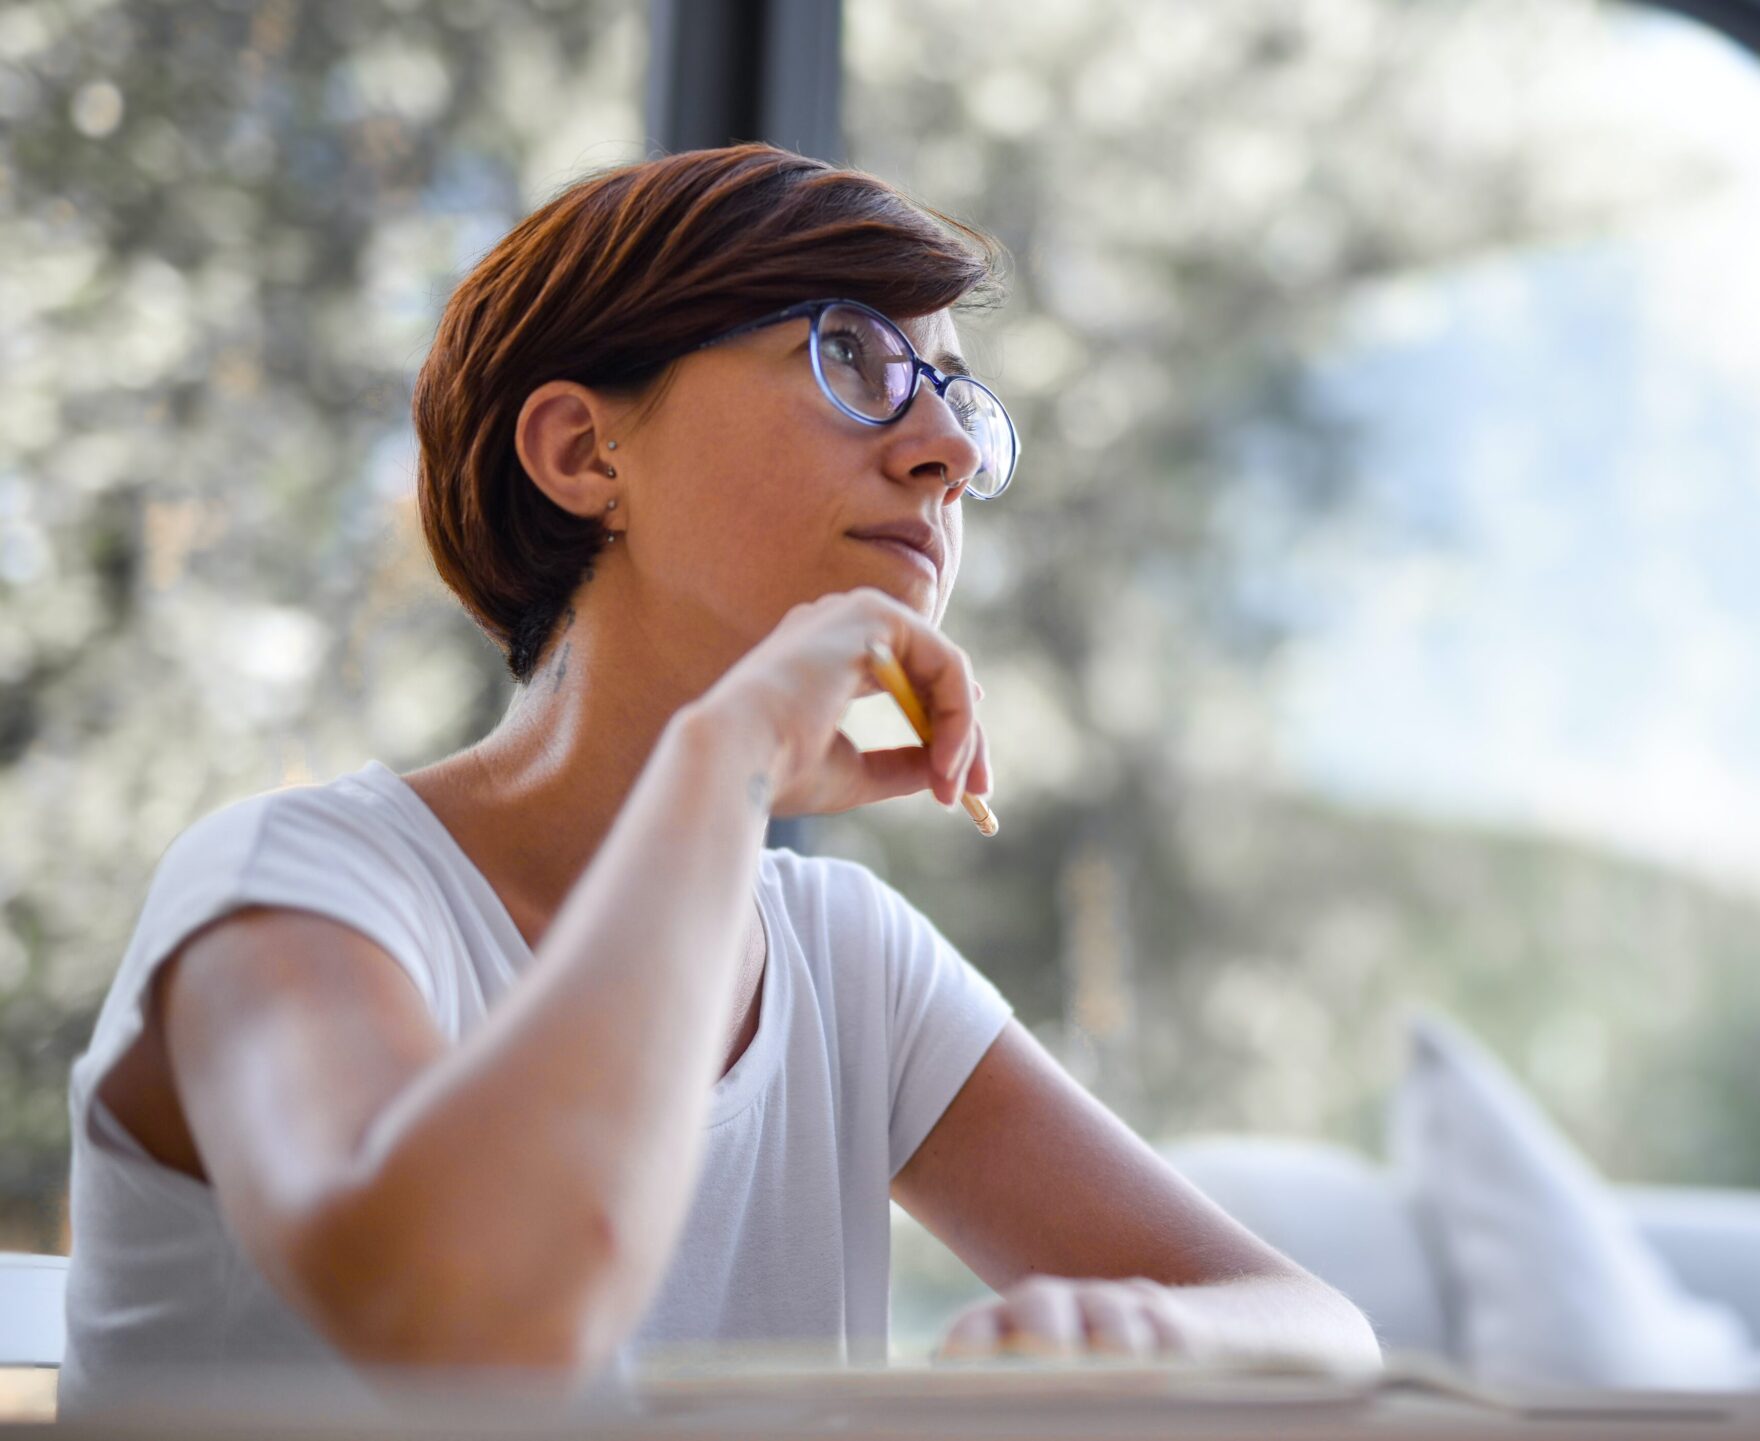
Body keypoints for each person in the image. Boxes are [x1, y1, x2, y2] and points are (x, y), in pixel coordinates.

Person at [57, 143, 1378, 1413]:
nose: (951, 452)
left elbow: (1318, 1329)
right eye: (851, 354)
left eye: (957, 396)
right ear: (583, 453)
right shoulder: (293, 890)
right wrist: (726, 755)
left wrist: (1143, 1331)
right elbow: (482, 1325)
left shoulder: (848, 962)